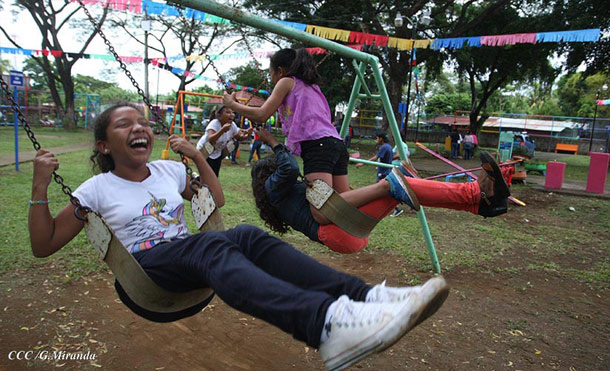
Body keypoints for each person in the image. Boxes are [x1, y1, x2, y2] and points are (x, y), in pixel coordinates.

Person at [28, 102, 449, 370]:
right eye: (124, 125)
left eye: (142, 121)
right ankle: (325, 326)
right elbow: (43, 246)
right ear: (104, 145)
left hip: (185, 254)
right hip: (146, 271)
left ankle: (364, 298)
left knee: (245, 234)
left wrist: (196, 156)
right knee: (212, 244)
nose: (139, 127)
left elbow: (216, 199)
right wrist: (40, 188)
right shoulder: (95, 191)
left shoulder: (170, 171)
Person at [251, 128, 511, 254]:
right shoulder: (273, 187)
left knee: (397, 187)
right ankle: (474, 195)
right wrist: (273, 142)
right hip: (337, 231)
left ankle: (478, 203)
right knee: (391, 184)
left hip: (347, 233)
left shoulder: (283, 196)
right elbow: (288, 166)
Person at [223, 48, 350, 197]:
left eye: (270, 73)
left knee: (322, 205)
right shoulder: (311, 86)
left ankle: (380, 190)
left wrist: (231, 104)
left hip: (318, 145)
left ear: (280, 71)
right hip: (336, 143)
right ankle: (375, 194)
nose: (271, 78)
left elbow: (262, 115)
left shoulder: (286, 82)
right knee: (342, 199)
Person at [196, 104, 251, 176]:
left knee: (215, 175)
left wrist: (248, 135)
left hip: (217, 152)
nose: (232, 115)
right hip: (205, 150)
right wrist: (222, 130)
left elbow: (238, 138)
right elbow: (211, 139)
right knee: (206, 175)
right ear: (219, 116)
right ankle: (198, 181)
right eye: (228, 112)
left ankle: (209, 185)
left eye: (232, 112)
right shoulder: (214, 124)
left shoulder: (232, 125)